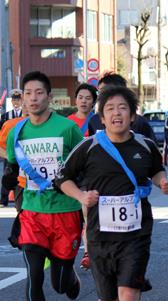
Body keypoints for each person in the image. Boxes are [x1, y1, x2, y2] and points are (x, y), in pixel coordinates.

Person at [55, 85, 168, 301]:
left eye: (123, 108)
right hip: (99, 236)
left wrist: (163, 183)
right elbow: (61, 178)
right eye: (110, 109)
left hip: (136, 234)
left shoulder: (145, 145)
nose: (117, 113)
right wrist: (82, 195)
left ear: (132, 115)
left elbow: (157, 171)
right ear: (102, 117)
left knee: (129, 298)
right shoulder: (89, 147)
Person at [1, 71, 84, 301]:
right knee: (34, 276)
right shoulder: (17, 131)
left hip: (66, 213)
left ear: (50, 97)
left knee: (59, 285)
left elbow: (83, 166)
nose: (33, 98)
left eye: (39, 93)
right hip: (33, 215)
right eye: (28, 93)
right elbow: (12, 168)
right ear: (22, 98)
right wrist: (8, 196)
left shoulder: (67, 129)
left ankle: (69, 278)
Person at [68, 83, 99, 270]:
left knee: (87, 214)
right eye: (81, 97)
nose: (84, 101)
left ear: (94, 102)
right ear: (75, 99)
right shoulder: (67, 122)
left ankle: (87, 253)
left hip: (90, 174)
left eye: (88, 98)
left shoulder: (99, 121)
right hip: (71, 175)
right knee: (72, 219)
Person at [87, 72, 156, 142]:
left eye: (103, 91)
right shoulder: (94, 121)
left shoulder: (140, 123)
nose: (116, 113)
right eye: (99, 92)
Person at [0, 104, 29, 211]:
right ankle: (4, 198)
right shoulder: (11, 124)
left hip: (48, 184)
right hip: (21, 182)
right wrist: (12, 157)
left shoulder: (55, 125)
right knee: (24, 218)